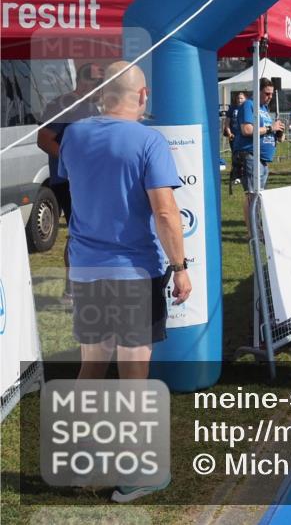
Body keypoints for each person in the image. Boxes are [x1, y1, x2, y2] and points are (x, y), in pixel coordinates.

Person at [58, 61, 191, 501]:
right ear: (143, 96)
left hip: (86, 270)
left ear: (102, 94)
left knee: (91, 366)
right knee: (134, 372)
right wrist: (181, 265)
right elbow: (166, 212)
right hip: (133, 272)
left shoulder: (75, 135)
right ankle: (137, 473)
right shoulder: (149, 140)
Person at [37, 62, 105, 303]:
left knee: (90, 230)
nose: (101, 87)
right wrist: (73, 161)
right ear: (83, 82)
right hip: (67, 180)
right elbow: (44, 139)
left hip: (90, 181)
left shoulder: (93, 108)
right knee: (79, 232)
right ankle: (72, 289)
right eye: (98, 82)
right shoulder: (61, 105)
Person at [234, 78, 285, 229]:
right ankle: (253, 232)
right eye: (266, 93)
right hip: (250, 155)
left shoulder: (264, 109)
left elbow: (271, 133)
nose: (269, 97)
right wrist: (270, 128)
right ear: (258, 91)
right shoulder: (249, 105)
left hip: (262, 159)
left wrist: (279, 132)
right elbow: (247, 130)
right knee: (252, 195)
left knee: (259, 195)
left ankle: (257, 228)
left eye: (271, 94)